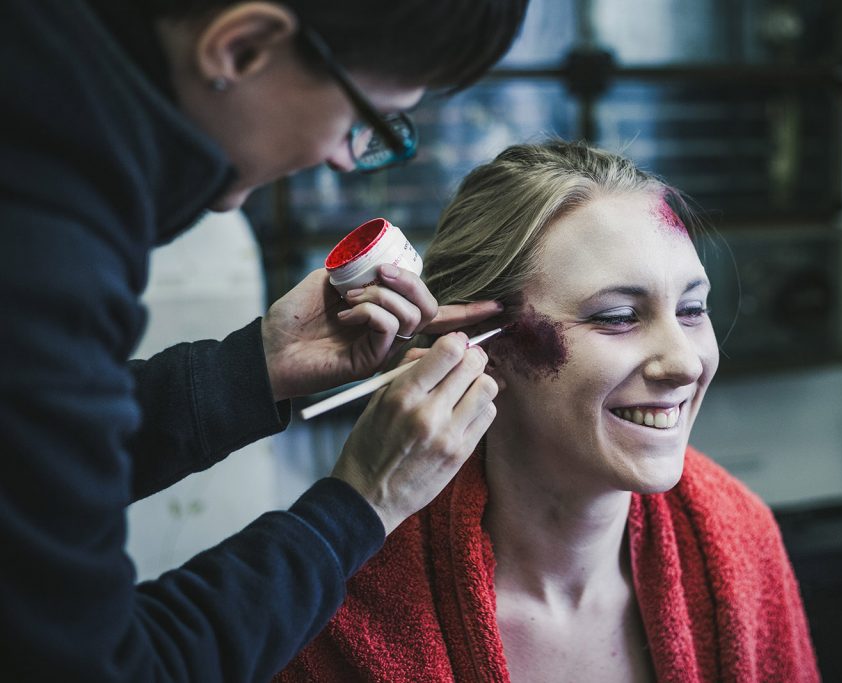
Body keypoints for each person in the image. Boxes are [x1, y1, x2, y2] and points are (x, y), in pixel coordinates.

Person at [0, 0, 529, 680]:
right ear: (241, 47)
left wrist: (254, 368)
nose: (344, 161)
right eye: (363, 121)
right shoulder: (45, 247)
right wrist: (361, 503)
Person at [277, 141, 820, 682]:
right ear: (482, 344)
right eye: (618, 317)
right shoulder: (330, 614)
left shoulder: (741, 540)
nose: (684, 363)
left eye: (692, 309)